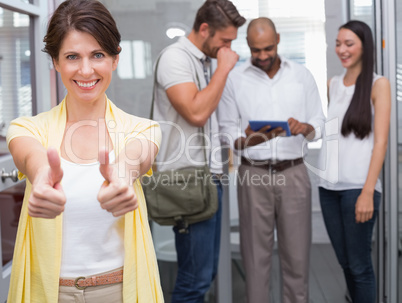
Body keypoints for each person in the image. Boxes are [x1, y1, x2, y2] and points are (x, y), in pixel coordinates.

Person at [6, 0, 164, 302]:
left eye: (98, 55)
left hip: (119, 291)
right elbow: (32, 156)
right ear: (55, 61)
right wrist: (40, 179)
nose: (86, 69)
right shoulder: (27, 128)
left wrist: (120, 175)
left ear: (115, 59)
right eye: (72, 56)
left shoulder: (142, 129)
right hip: (50, 293)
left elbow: (136, 157)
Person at [218, 17, 325, 303]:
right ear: (248, 46)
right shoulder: (235, 79)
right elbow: (227, 132)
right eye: (255, 50)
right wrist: (250, 140)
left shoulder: (301, 75)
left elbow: (319, 124)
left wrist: (305, 128)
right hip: (253, 175)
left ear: (278, 39)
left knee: (297, 259)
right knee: (255, 260)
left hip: (294, 173)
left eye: (267, 48)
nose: (262, 56)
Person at [152, 0, 245, 302]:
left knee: (206, 273)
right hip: (187, 183)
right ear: (204, 29)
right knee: (195, 279)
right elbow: (195, 113)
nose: (228, 47)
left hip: (208, 180)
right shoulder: (175, 58)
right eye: (225, 40)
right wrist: (226, 68)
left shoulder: (205, 61)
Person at [318, 20, 391, 303]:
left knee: (360, 267)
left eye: (349, 44)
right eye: (338, 43)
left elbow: (380, 142)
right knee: (345, 263)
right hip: (328, 189)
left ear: (364, 46)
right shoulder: (332, 84)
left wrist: (367, 191)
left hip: (357, 190)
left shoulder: (378, 84)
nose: (341, 50)